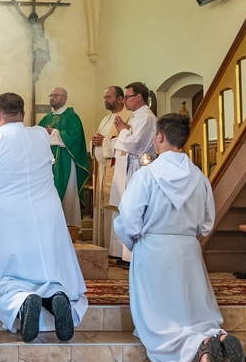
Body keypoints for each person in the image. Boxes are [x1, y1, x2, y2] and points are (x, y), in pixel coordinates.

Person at [114, 113, 246, 362]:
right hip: (188, 251)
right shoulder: (199, 178)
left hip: (154, 251)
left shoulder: (147, 175)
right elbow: (206, 223)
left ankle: (202, 351)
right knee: (193, 313)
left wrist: (136, 242)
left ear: (160, 137)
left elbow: (128, 220)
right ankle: (219, 338)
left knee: (162, 323)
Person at [0, 92, 87, 343]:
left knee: (5, 278)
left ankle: (20, 302)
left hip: (6, 215)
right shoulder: (40, 136)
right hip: (46, 213)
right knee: (47, 271)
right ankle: (56, 296)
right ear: (24, 113)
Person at [109, 82, 157, 263]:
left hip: (138, 167)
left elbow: (135, 145)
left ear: (139, 97)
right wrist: (124, 132)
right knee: (127, 210)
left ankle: (134, 255)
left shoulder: (146, 117)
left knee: (135, 211)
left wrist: (123, 131)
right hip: (129, 166)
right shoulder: (136, 116)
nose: (125, 101)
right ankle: (127, 253)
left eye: (128, 97)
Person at [38, 87, 90, 228]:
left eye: (56, 95)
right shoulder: (47, 118)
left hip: (65, 162)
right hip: (48, 164)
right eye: (51, 95)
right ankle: (48, 226)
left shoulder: (72, 116)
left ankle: (69, 227)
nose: (52, 98)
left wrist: (54, 132)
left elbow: (74, 139)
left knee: (68, 195)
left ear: (64, 98)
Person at [91, 86, 131, 257]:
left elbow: (125, 142)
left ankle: (116, 250)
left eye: (109, 97)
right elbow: (101, 140)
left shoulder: (128, 117)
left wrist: (104, 141)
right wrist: (94, 141)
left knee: (114, 209)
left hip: (115, 170)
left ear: (121, 99)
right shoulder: (106, 119)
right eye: (104, 97)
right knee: (103, 210)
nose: (105, 100)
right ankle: (103, 245)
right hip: (102, 170)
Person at [11, 0, 61, 83]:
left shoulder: (41, 20)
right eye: (32, 20)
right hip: (37, 44)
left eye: (34, 19)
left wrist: (56, 4)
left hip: (43, 43)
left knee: (43, 60)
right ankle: (36, 75)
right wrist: (15, 4)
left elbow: (50, 12)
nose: (33, 21)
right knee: (37, 60)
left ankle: (37, 74)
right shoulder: (29, 22)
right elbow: (20, 13)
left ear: (36, 18)